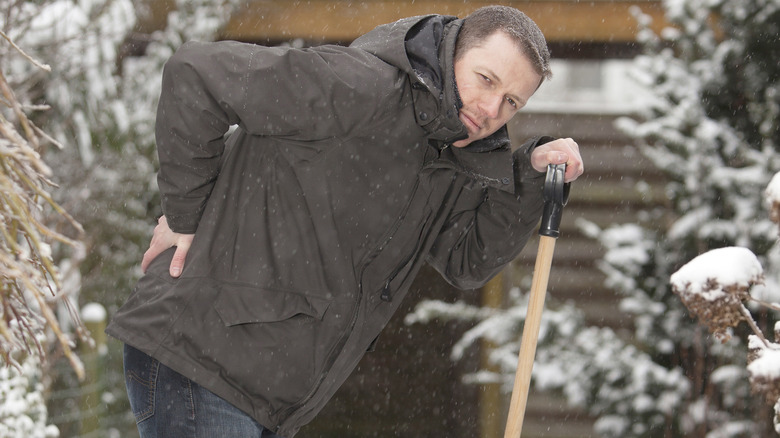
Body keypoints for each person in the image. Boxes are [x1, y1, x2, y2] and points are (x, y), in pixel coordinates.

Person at [106, 5, 584, 438]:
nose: (490, 110)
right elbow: (197, 74)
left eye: (512, 102)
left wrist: (525, 179)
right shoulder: (361, 86)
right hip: (201, 354)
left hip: (263, 392)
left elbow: (466, 260)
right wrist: (185, 215)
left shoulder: (446, 159)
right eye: (486, 79)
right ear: (453, 50)